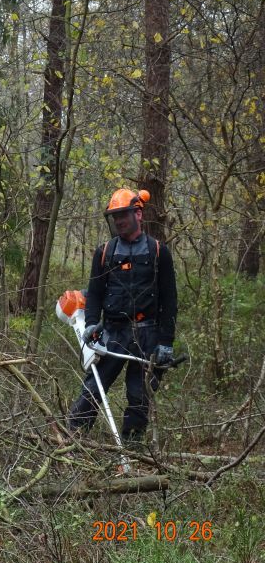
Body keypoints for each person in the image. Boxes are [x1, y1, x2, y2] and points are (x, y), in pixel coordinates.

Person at [66, 189, 178, 448]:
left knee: (139, 395)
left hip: (148, 334)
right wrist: (93, 323)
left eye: (123, 216)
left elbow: (169, 301)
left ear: (138, 214)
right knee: (94, 388)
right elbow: (94, 293)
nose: (118, 222)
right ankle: (73, 438)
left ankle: (132, 446)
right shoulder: (104, 252)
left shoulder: (160, 252)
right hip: (112, 332)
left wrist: (166, 342)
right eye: (115, 217)